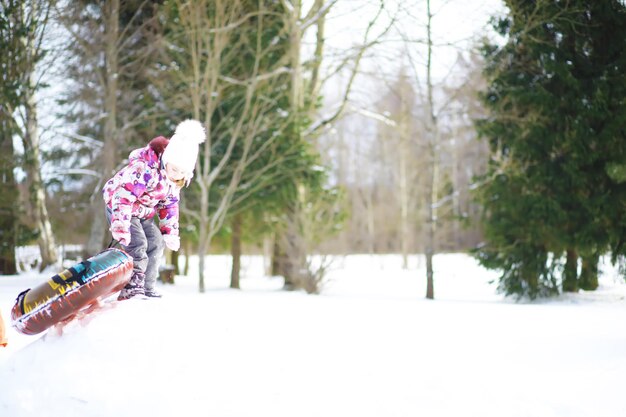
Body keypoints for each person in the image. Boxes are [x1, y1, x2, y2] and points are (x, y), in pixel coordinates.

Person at [103, 119, 205, 300]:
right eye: (174, 168)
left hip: (142, 213)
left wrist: (170, 233)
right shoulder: (145, 168)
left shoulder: (173, 183)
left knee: (156, 242)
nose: (176, 175)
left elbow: (169, 207)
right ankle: (131, 287)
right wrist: (120, 224)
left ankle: (146, 285)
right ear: (167, 159)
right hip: (119, 205)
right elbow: (123, 195)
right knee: (138, 243)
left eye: (182, 172)